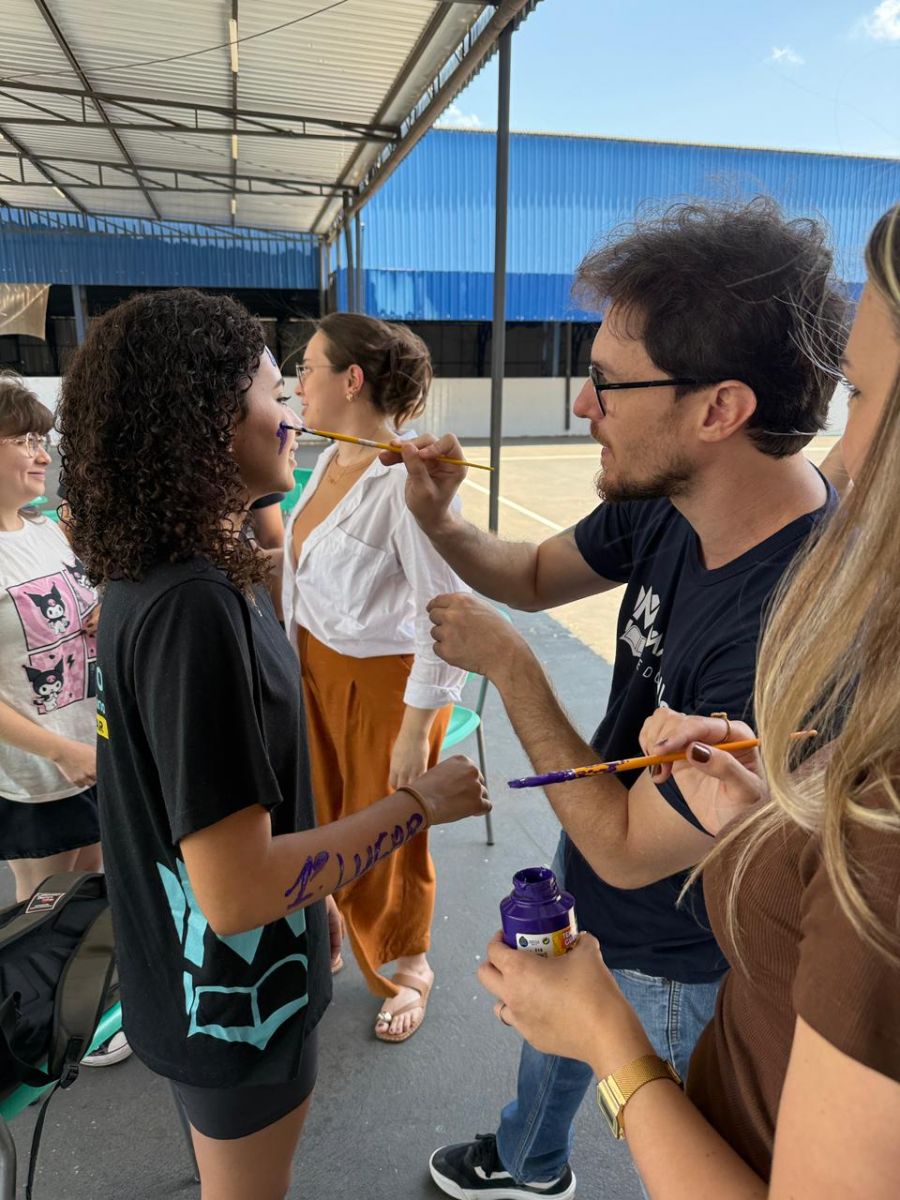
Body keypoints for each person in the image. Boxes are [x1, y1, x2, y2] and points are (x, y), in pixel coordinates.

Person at [382, 200, 847, 1199]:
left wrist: (512, 670)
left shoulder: (796, 632)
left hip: (676, 949)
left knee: (665, 1129)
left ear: (719, 410)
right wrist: (443, 520)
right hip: (595, 846)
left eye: (606, 382)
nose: (582, 404)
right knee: (556, 1029)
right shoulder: (676, 497)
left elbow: (629, 847)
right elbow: (532, 575)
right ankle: (529, 1161)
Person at [57, 289, 489, 1200]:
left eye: (296, 385)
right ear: (209, 419)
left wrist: (313, 894)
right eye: (272, 391)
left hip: (216, 982)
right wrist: (419, 803)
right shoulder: (195, 608)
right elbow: (239, 890)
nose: (291, 410)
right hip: (231, 1006)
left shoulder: (178, 573)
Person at [282, 313, 468, 1042]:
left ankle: (408, 962)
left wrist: (416, 732)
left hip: (389, 689)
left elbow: (442, 614)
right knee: (324, 817)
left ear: (351, 379)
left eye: (308, 368)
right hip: (314, 666)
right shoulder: (330, 460)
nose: (298, 382)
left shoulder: (405, 481)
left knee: (387, 832)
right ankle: (335, 919)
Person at [0, 373, 129, 1067]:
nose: (41, 453)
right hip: (38, 772)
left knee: (96, 889)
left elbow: (77, 610)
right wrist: (58, 751)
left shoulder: (46, 529)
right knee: (44, 909)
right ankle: (45, 1031)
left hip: (91, 748)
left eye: (41, 439)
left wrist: (100, 617)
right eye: (23, 439)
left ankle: (90, 1009)